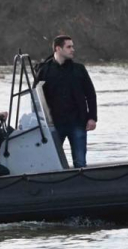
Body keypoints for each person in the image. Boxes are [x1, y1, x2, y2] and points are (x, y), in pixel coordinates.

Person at [34, 35, 97, 168]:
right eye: (69, 47)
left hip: (78, 121)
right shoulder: (44, 70)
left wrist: (92, 118)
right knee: (51, 161)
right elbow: (36, 97)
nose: (72, 49)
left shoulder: (79, 69)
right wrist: (38, 120)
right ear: (58, 48)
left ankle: (81, 180)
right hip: (54, 124)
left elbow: (90, 94)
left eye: (72, 46)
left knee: (80, 162)